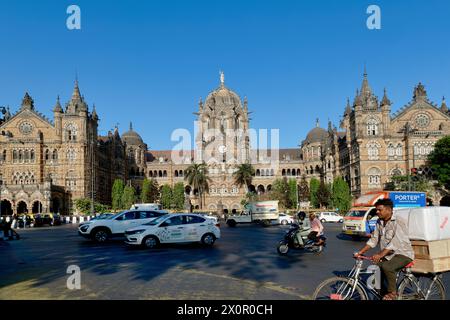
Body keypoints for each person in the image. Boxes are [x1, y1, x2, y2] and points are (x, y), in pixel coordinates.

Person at [354, 198, 414, 300]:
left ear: (389, 210)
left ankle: (392, 293)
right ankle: (383, 293)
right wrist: (360, 252)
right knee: (376, 273)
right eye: (376, 210)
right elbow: (374, 239)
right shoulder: (379, 222)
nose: (377, 212)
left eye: (379, 210)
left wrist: (380, 255)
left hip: (403, 254)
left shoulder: (398, 221)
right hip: (389, 255)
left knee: (387, 267)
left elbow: (395, 242)